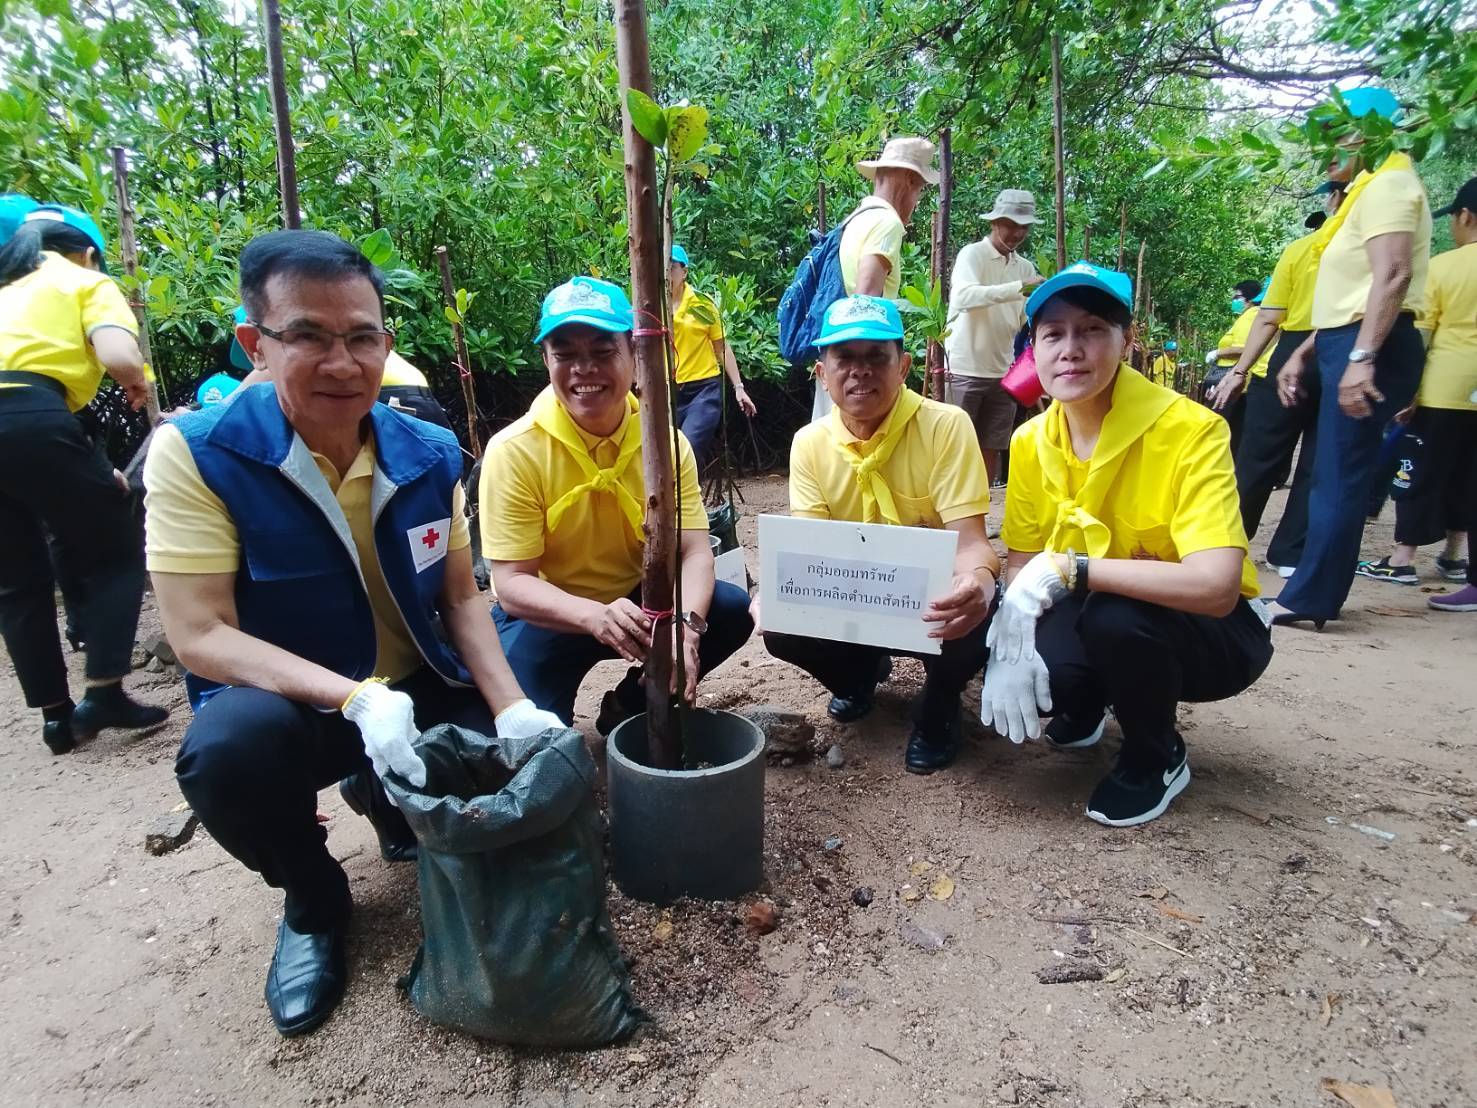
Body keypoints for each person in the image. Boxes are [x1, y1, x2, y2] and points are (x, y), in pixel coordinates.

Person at [144, 229, 562, 1038]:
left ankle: (383, 792)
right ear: (254, 345)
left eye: (361, 336)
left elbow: (462, 601)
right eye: (306, 335)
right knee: (227, 754)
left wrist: (512, 709)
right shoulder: (199, 455)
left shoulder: (429, 452)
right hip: (295, 707)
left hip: (418, 689)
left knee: (514, 771)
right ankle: (311, 899)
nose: (341, 363)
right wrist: (356, 699)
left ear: (386, 343)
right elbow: (198, 634)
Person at [982, 261, 1273, 826]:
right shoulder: (1030, 440)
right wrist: (1009, 638)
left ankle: (1154, 755)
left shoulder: (1191, 430)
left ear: (1127, 340)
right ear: (1033, 350)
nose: (1071, 349)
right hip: (1101, 610)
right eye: (1053, 334)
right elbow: (1022, 563)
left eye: (1091, 329)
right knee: (1042, 654)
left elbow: (1215, 588)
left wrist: (1074, 568)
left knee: (1115, 616)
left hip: (1213, 633)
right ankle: (1086, 704)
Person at [480, 276, 753, 731]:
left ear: (634, 355)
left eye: (603, 351)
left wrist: (686, 630)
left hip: (640, 601)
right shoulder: (515, 450)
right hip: (553, 612)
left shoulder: (665, 442)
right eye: (564, 353)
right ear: (546, 359)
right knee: (528, 729)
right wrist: (592, 614)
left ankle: (633, 703)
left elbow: (695, 550)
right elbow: (510, 583)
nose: (583, 368)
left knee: (725, 611)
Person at [762, 295, 998, 773]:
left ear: (903, 366)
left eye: (876, 358)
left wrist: (979, 580)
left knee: (982, 604)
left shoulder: (946, 426)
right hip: (855, 597)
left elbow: (971, 543)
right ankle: (858, 677)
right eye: (844, 358)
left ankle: (939, 706)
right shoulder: (810, 443)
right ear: (821, 374)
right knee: (782, 625)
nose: (860, 371)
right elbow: (811, 548)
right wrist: (777, 593)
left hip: (928, 604)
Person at [0, 204, 167, 755]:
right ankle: (105, 691)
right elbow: (118, 351)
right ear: (89, 252)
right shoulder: (81, 280)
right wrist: (136, 379)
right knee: (118, 548)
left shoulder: (7, 289)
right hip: (31, 412)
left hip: (27, 420)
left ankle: (55, 718)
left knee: (17, 584)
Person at [1271, 87, 1431, 628]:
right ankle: (1311, 590)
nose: (1329, 148)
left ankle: (1310, 597)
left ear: (1374, 132)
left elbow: (1393, 276)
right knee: (1330, 474)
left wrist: (1362, 358)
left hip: (1372, 345)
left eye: (1340, 134)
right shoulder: (1368, 189)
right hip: (1348, 338)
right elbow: (1358, 291)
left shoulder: (1389, 185)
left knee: (1339, 476)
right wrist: (1309, 351)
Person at [1211, 191, 1346, 578]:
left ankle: (1226, 543)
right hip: (1340, 348)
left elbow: (1269, 317)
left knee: (1256, 457)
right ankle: (1289, 552)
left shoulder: (1300, 251)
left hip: (1291, 348)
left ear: (1334, 202)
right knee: (1316, 461)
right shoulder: (1365, 254)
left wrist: (1240, 372)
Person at [1356, 175, 1476, 603]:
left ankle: (1401, 559)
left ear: (1465, 216)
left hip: (1445, 387)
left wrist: (1409, 392)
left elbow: (1424, 333)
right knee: (1470, 476)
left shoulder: (1445, 267)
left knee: (1417, 470)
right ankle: (1454, 556)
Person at [813, 136, 938, 420]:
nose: (916, 201)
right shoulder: (887, 223)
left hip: (837, 356)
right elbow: (865, 301)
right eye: (919, 189)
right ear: (908, 179)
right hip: (859, 372)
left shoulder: (857, 218)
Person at [943, 189, 1043, 484]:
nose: (1017, 232)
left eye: (1023, 226)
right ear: (995, 222)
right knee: (956, 447)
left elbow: (1026, 318)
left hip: (1003, 373)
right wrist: (1018, 287)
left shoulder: (1024, 268)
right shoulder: (972, 255)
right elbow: (963, 297)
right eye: (1012, 224)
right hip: (964, 370)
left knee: (991, 446)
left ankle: (981, 517)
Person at [668, 244, 756, 469]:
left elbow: (722, 348)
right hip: (668, 392)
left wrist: (739, 388)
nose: (667, 274)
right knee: (663, 452)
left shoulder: (702, 303)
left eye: (671, 268)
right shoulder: (653, 304)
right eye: (663, 269)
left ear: (684, 272)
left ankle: (686, 502)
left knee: (688, 447)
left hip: (702, 391)